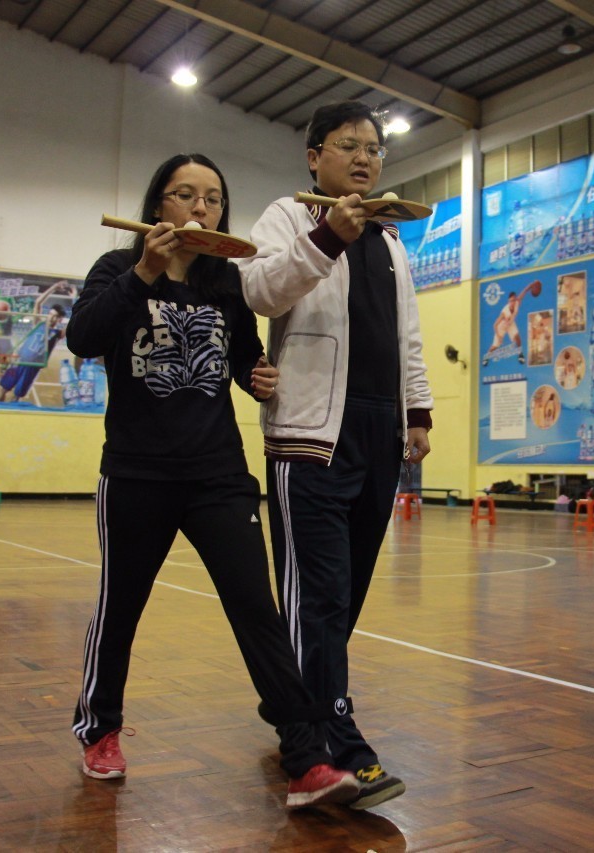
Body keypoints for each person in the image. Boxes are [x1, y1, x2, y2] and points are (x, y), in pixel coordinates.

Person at [66, 153, 358, 809]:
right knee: (121, 606)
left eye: (214, 198)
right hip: (137, 474)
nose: (202, 209)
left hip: (219, 474)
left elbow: (244, 352)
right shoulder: (117, 269)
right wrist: (143, 272)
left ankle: (306, 757)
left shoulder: (224, 278)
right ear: (157, 204)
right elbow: (83, 337)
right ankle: (100, 728)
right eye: (186, 195)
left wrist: (257, 376)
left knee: (258, 608)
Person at [239, 100, 434, 810]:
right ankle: (323, 743)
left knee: (340, 595)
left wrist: (418, 413)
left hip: (380, 435)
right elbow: (258, 289)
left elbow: (408, 336)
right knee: (313, 594)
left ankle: (300, 704)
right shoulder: (289, 215)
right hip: (308, 433)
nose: (365, 157)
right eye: (348, 145)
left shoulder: (390, 241)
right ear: (313, 155)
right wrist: (325, 237)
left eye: (374, 149)